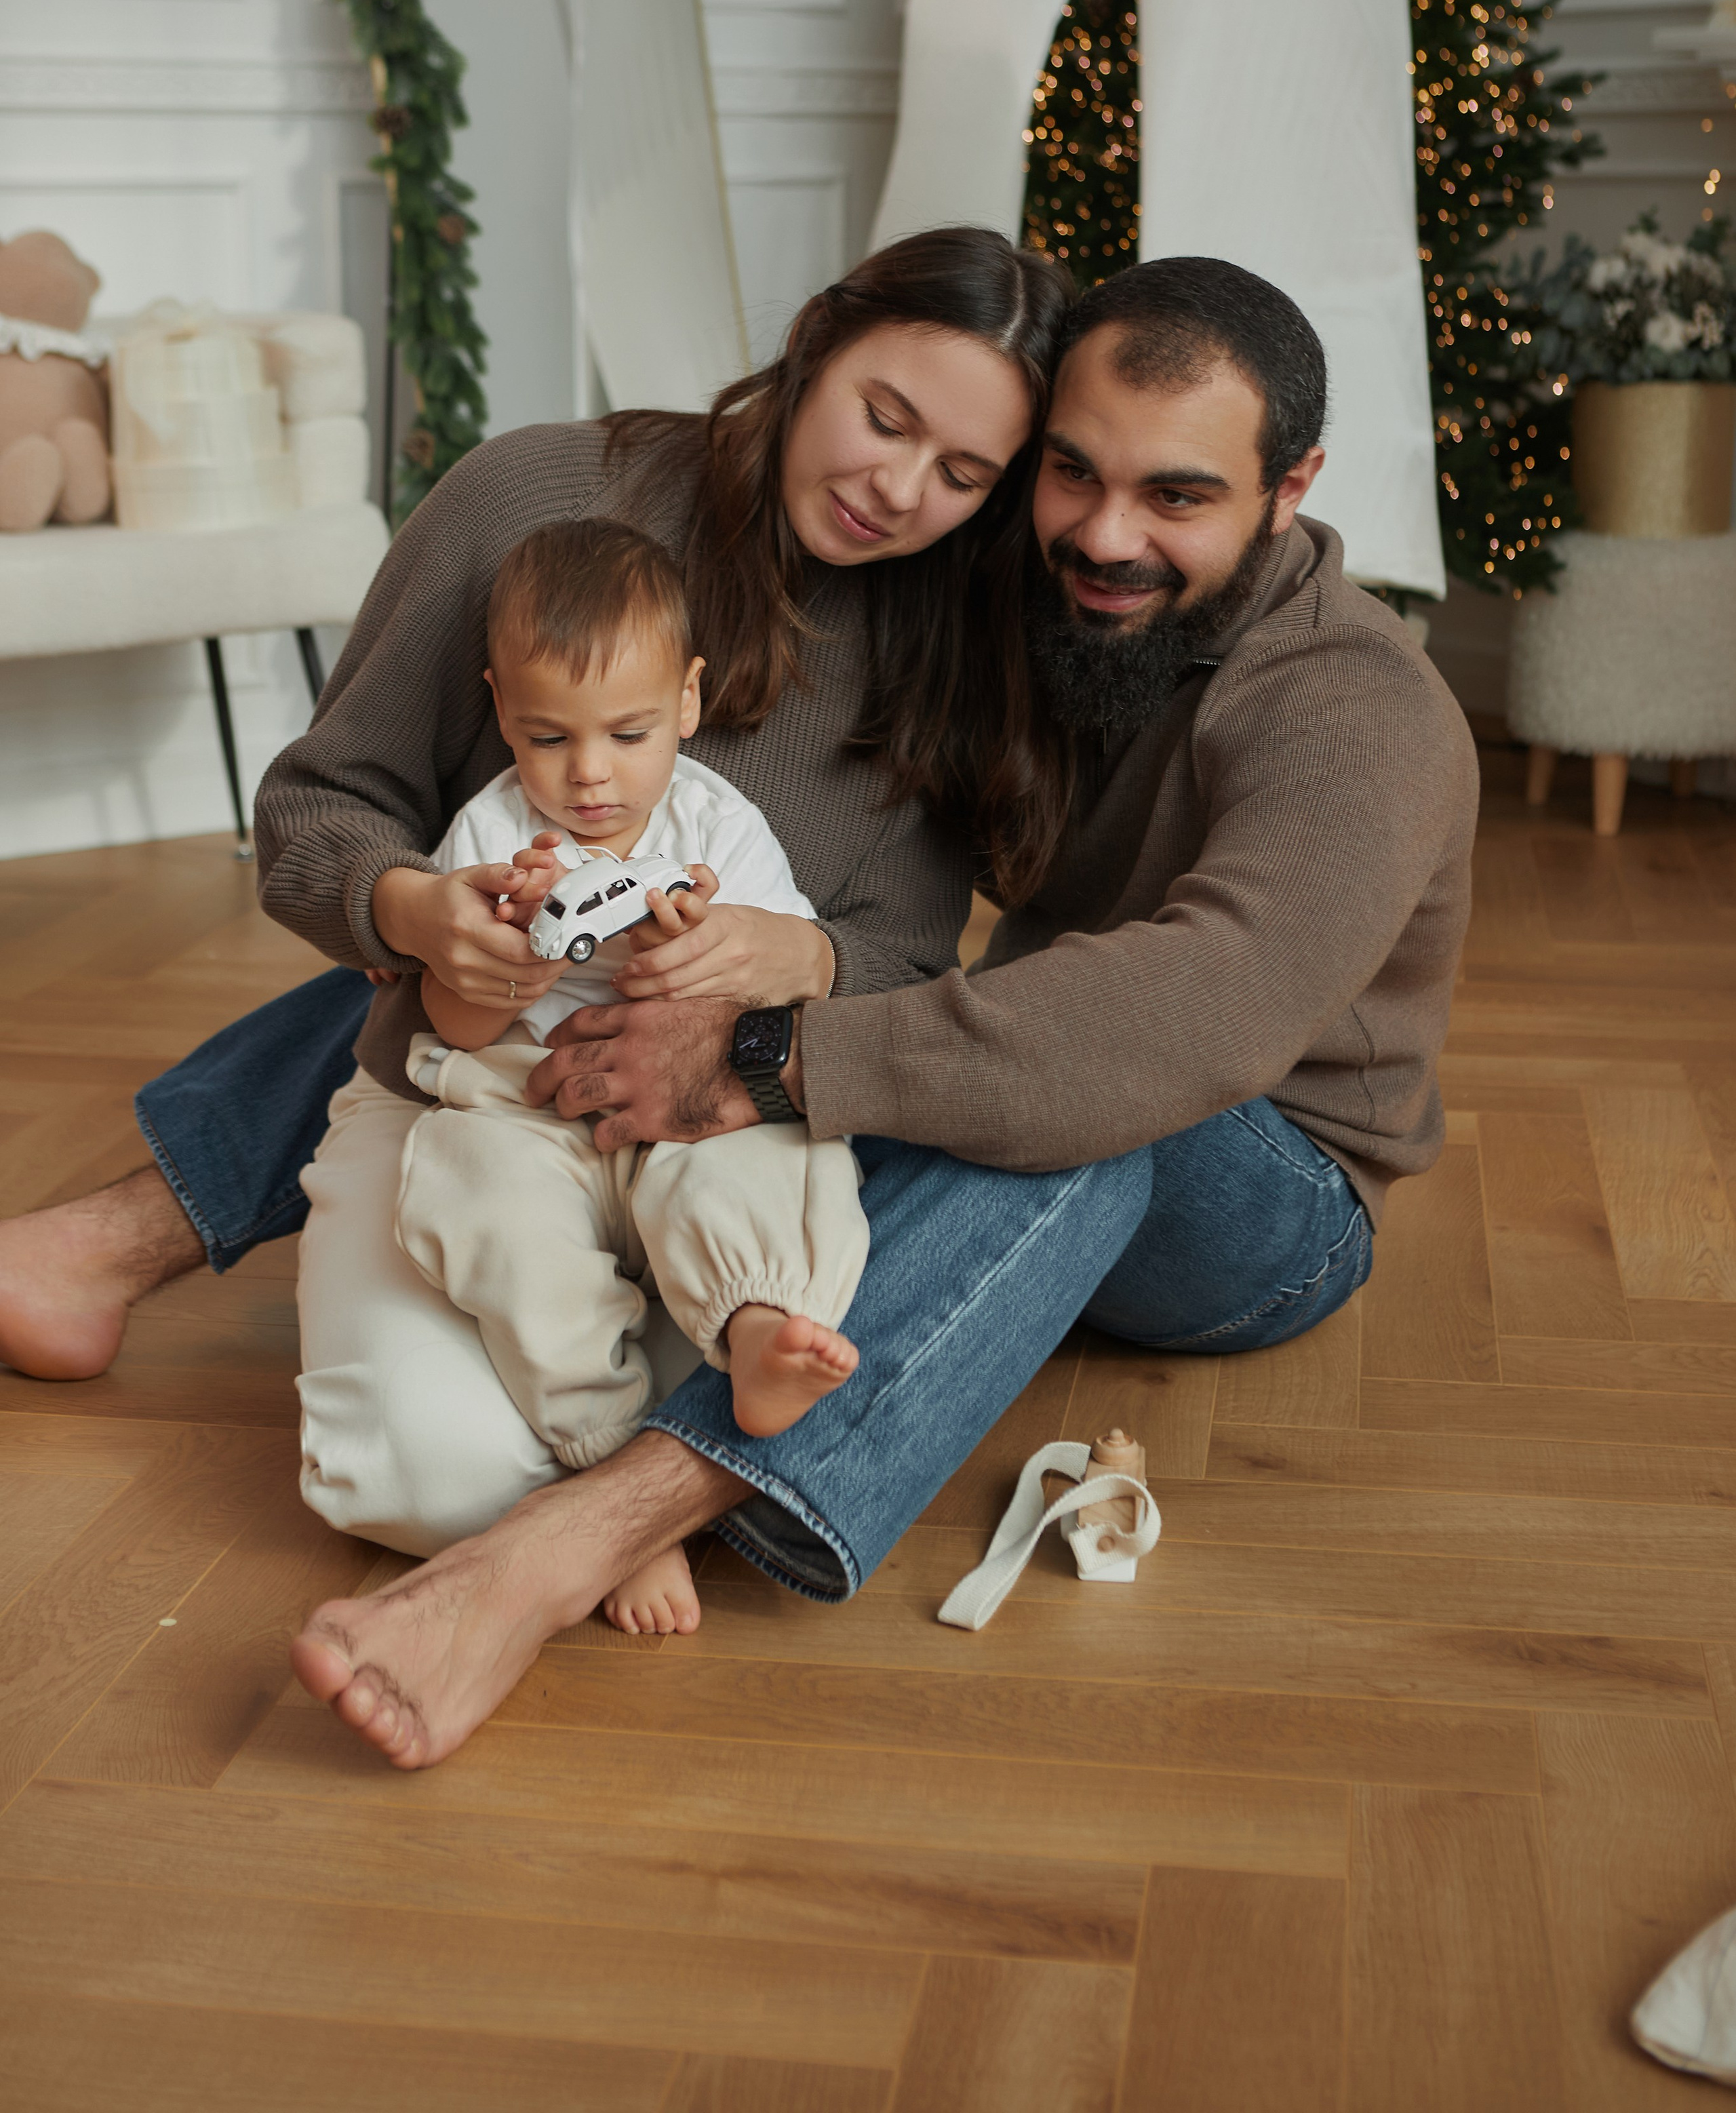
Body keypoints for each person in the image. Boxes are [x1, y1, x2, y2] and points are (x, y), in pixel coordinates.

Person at [1, 250, 1478, 1779]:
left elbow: (1176, 1029)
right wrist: (577, 921)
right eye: (1069, 474)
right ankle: (113, 1242)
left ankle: (580, 1537)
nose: (1105, 532)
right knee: (567, 944)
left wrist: (769, 1056)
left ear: (1291, 489)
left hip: (1259, 1182)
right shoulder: (1018, 587)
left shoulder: (1354, 708)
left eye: (1176, 495)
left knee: (1078, 1115)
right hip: (1036, 1034)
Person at [322, 513, 870, 1636]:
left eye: (628, 733)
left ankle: (760, 1324)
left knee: (780, 1152)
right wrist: (507, 960)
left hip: (689, 1105)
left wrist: (692, 950)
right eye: (547, 736)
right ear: (500, 711)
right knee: (471, 1188)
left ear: (687, 701)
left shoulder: (722, 825)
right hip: (528, 1106)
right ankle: (606, 1455)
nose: (588, 775)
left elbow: (787, 989)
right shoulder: (490, 833)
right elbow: (451, 1024)